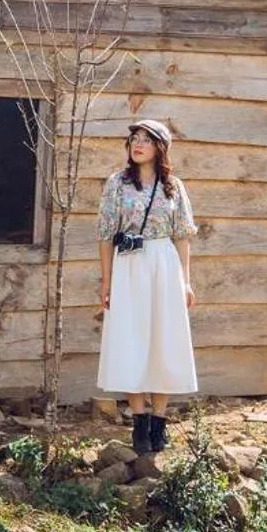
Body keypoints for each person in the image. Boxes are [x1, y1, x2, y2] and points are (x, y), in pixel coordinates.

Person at [95, 117, 198, 454]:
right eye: (134, 139)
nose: (137, 144)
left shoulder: (173, 187)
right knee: (131, 338)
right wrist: (107, 281)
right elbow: (106, 235)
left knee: (164, 338)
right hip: (128, 266)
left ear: (159, 148)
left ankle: (159, 421)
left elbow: (182, 237)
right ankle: (138, 421)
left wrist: (185, 281)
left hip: (164, 264)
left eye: (146, 140)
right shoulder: (117, 184)